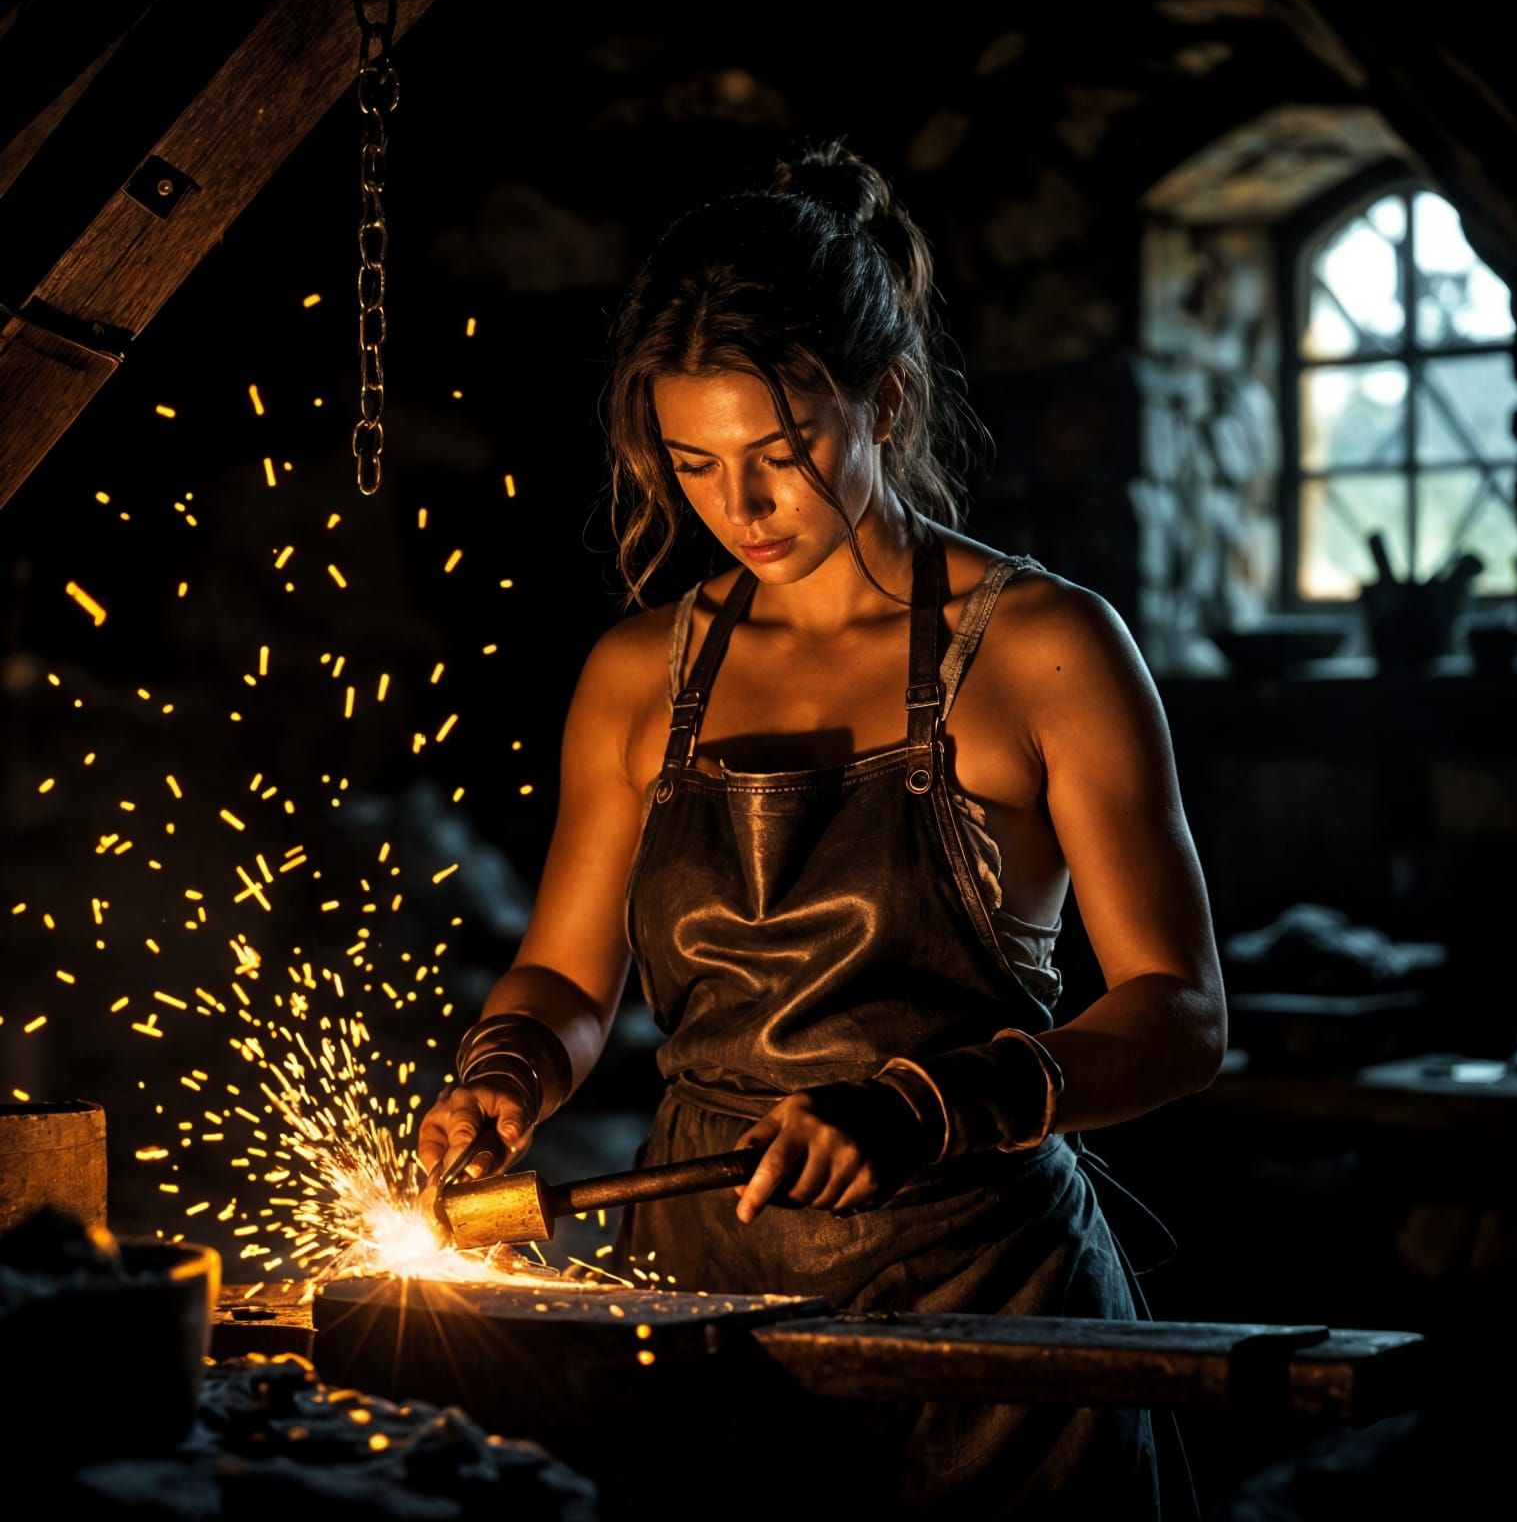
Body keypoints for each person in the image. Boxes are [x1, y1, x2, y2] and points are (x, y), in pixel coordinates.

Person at [419, 136, 1223, 1519]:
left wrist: (929, 1103)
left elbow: (1180, 1011)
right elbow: (563, 976)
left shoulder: (1040, 649)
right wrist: (508, 1069)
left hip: (988, 1308)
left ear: (887, 400)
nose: (740, 511)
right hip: (704, 1292)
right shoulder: (637, 674)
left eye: (780, 458)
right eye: (692, 464)